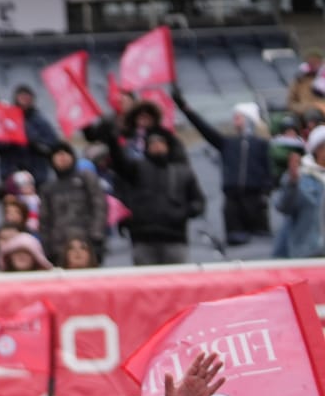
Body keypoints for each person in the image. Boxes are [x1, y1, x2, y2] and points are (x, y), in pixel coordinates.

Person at [174, 88, 272, 245]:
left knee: (260, 243)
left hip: (255, 201)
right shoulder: (228, 143)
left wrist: (265, 193)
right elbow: (205, 129)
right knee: (235, 242)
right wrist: (185, 108)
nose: (235, 120)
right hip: (232, 201)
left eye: (238, 117)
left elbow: (269, 171)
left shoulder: (262, 145)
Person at [112, 128, 204, 267]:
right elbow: (119, 163)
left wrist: (182, 213)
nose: (156, 146)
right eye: (152, 143)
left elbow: (198, 202)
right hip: (143, 239)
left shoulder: (182, 172)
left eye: (160, 142)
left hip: (175, 238)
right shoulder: (136, 169)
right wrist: (112, 140)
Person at [40, 142, 108, 260]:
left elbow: (99, 205)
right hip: (59, 246)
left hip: (87, 241)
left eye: (65, 154)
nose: (62, 158)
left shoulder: (86, 178)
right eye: (58, 155)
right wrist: (47, 246)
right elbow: (45, 220)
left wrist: (97, 235)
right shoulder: (48, 188)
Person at [272, 125, 325, 261]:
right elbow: (283, 206)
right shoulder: (301, 177)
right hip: (308, 254)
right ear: (317, 150)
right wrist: (292, 182)